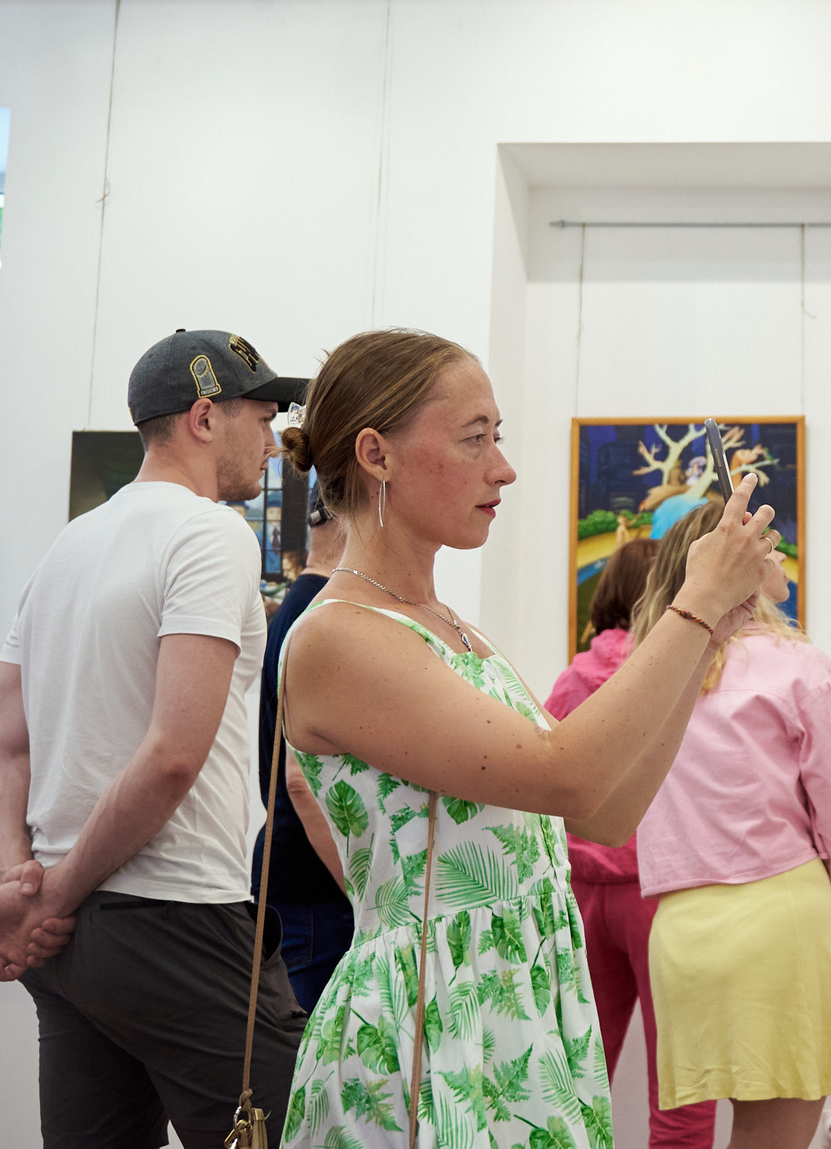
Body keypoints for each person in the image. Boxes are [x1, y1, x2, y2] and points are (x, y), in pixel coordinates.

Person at [270, 328, 779, 1148]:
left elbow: (605, 812)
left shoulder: (450, 630)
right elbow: (567, 775)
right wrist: (693, 603)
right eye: (475, 438)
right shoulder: (341, 636)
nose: (502, 468)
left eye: (496, 437)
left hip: (512, 1012)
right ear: (376, 454)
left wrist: (709, 629)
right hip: (430, 1025)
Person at [0, 329, 312, 1147]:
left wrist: (22, 884)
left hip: (71, 947)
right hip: (175, 917)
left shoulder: (70, 545)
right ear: (205, 418)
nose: (273, 442)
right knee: (300, 1132)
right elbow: (173, 755)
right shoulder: (210, 535)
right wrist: (49, 897)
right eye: (263, 418)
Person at [633, 502, 831, 1149]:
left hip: (681, 932)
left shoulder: (650, 675)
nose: (780, 555)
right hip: (778, 916)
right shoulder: (798, 666)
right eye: (766, 546)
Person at [545, 539, 718, 1149]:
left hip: (585, 892)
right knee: (683, 1089)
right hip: (664, 893)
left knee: (573, 1077)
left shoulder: (575, 676)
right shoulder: (687, 676)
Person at [252, 488, 354, 1012]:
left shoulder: (298, 604)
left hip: (293, 875)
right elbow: (302, 780)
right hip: (315, 889)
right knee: (310, 1056)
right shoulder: (324, 613)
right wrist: (365, 892)